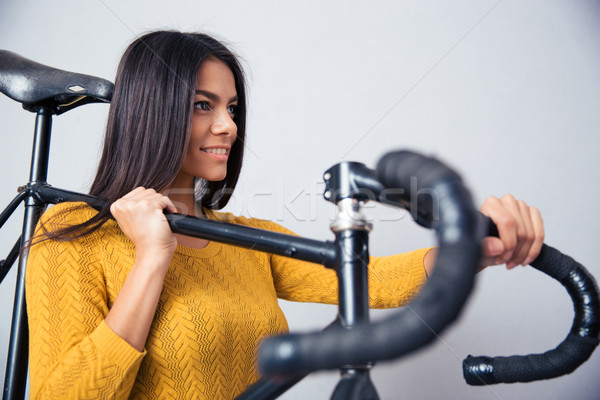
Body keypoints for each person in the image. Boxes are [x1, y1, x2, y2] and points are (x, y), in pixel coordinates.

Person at [25, 30, 544, 400]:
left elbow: (367, 280)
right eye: (204, 105)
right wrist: (151, 259)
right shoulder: (71, 236)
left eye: (232, 108)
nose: (228, 125)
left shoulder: (245, 239)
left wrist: (472, 248)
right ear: (154, 111)